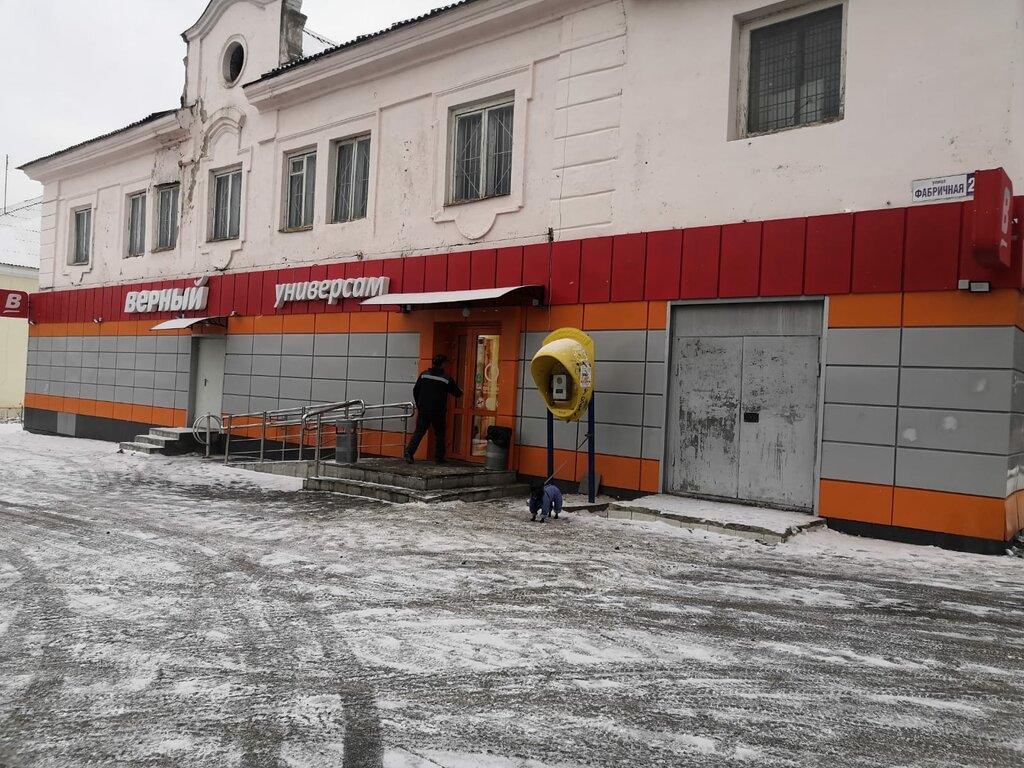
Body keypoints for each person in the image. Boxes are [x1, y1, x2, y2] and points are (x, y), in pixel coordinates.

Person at [404, 354, 463, 464]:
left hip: (424, 410)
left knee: (419, 432)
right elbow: (457, 393)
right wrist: (461, 391)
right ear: (443, 364)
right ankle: (439, 457)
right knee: (440, 433)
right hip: (438, 411)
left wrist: (419, 404)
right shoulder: (445, 378)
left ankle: (409, 452)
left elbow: (415, 390)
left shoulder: (424, 375)